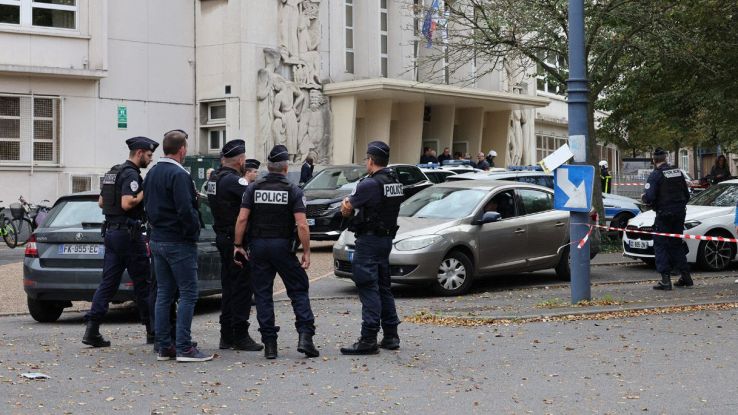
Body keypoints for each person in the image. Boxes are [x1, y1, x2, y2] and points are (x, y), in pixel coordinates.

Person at [233, 144, 319, 360]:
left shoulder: (253, 188)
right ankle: (305, 337)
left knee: (263, 294)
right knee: (298, 289)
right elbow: (302, 225)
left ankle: (270, 344)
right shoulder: (293, 190)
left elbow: (242, 218)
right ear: (285, 168)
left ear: (269, 167)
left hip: (259, 247)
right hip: (283, 247)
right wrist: (307, 251)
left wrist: (237, 245)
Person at [82, 136, 158, 348]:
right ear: (140, 153)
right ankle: (152, 331)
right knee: (143, 283)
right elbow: (127, 203)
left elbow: (101, 202)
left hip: (112, 233)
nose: (150, 160)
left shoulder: (113, 172)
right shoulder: (131, 174)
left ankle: (92, 329)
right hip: (129, 235)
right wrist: (146, 190)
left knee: (108, 283)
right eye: (149, 155)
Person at [145, 129, 213, 362]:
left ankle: (164, 346)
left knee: (164, 293)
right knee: (188, 293)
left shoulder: (152, 172)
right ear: (182, 149)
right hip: (178, 241)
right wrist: (192, 231)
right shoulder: (179, 175)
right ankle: (184, 347)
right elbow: (186, 209)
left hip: (157, 239)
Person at [339, 140, 403, 355]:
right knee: (384, 286)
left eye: (367, 159)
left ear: (371, 160)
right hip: (385, 240)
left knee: (368, 286)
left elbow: (347, 207)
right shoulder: (394, 181)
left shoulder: (369, 184)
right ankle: (391, 335)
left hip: (369, 240)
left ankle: (368, 339)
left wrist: (346, 204)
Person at [204, 140, 263, 352]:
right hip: (236, 240)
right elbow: (254, 205)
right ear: (240, 160)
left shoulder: (214, 178)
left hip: (222, 236)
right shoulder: (235, 182)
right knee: (241, 288)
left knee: (229, 287)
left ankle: (226, 335)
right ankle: (240, 334)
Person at [642, 148, 692, 290]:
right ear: (666, 158)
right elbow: (686, 195)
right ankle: (686, 277)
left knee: (660, 245)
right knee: (676, 243)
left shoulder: (655, 175)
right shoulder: (678, 172)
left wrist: (645, 199)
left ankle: (665, 280)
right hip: (679, 213)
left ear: (654, 160)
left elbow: (649, 197)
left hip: (664, 215)